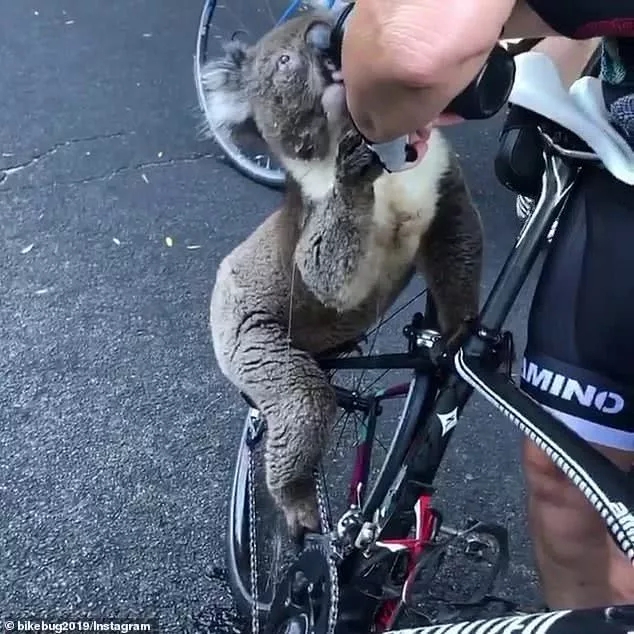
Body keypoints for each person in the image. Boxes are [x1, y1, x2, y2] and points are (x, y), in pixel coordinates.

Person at [339, 0, 634, 614]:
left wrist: (376, 114)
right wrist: (544, 71)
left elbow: (412, 52)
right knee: (570, 486)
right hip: (622, 184)